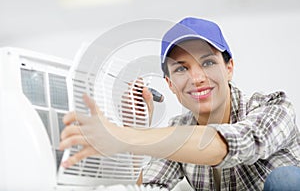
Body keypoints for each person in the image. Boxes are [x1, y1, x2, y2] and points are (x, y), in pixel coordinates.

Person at [59, 17, 300, 190]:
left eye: (207, 63)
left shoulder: (274, 107)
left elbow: (230, 144)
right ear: (170, 84)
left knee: (285, 179)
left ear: (229, 68)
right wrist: (136, 129)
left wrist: (122, 137)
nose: (197, 78)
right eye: (182, 68)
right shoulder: (178, 131)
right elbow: (148, 187)